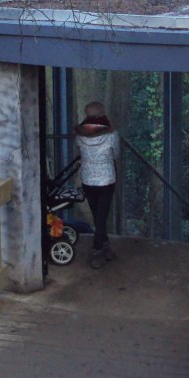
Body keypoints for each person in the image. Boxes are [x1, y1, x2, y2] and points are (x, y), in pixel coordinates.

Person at [74, 101, 119, 265]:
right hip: (106, 179)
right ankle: (96, 251)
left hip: (87, 179)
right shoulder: (111, 135)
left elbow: (79, 153)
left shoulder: (80, 136)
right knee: (101, 218)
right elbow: (116, 155)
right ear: (102, 115)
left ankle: (106, 247)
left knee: (98, 216)